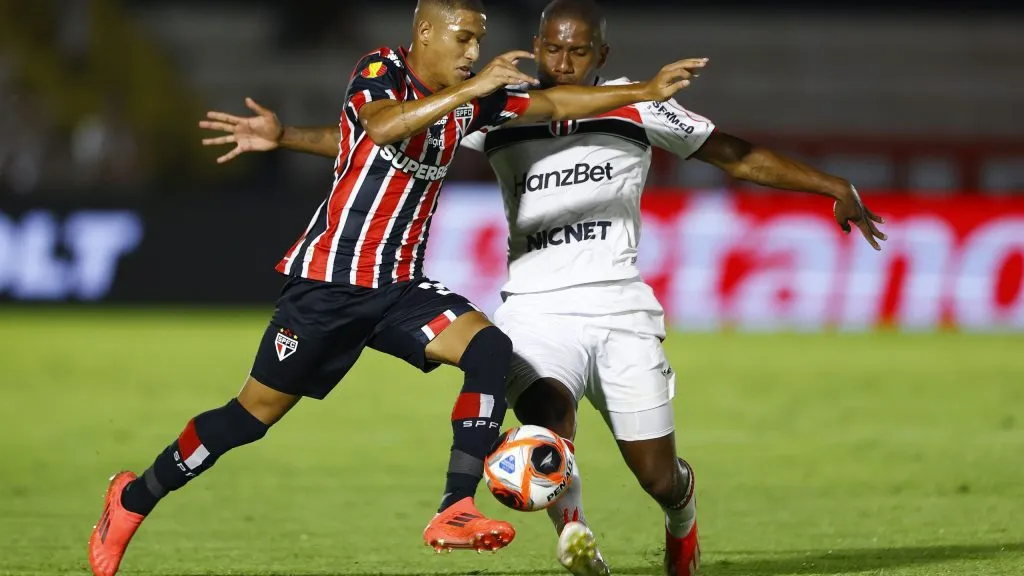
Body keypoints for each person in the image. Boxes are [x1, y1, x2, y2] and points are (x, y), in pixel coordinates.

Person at [193, 2, 887, 575]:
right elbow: (381, 143)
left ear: (601, 57)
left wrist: (833, 186)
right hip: (533, 306)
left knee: (655, 474)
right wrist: (285, 136)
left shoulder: (635, 108)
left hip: (620, 307)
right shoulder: (499, 111)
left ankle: (683, 514)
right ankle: (574, 537)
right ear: (537, 47)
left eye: (578, 52)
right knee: (545, 432)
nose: (563, 61)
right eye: (552, 49)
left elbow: (733, 153)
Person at [85, 1, 709, 575]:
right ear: (426, 34)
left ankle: (454, 507)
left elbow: (554, 106)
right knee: (248, 419)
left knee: (491, 350)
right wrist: (473, 88)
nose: (472, 52)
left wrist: (643, 91)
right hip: (329, 288)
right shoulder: (382, 69)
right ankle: (134, 497)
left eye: (479, 42)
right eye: (463, 39)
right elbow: (379, 128)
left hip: (401, 288)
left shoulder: (469, 99)